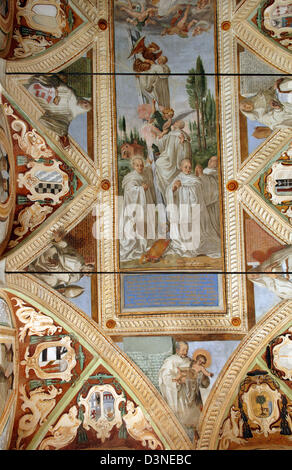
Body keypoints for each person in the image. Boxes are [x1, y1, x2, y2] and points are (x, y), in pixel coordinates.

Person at [165, 157, 221, 259]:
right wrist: (173, 189)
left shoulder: (195, 179)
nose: (188, 169)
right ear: (181, 167)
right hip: (181, 210)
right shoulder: (177, 178)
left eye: (189, 167)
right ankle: (184, 244)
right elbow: (169, 191)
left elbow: (196, 190)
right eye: (185, 167)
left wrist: (182, 187)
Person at [158, 342, 211, 439]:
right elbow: (165, 378)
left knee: (196, 425)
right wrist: (178, 381)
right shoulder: (170, 361)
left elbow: (204, 384)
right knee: (182, 426)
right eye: (183, 350)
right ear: (177, 350)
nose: (185, 352)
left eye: (186, 350)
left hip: (193, 397)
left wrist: (202, 376)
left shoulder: (191, 362)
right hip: (180, 397)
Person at [27, 74, 92, 148]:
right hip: (49, 90)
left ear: (83, 110)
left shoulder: (71, 114)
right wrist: (56, 92)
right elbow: (62, 87)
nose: (85, 103)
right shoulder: (72, 94)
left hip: (48, 103)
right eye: (86, 102)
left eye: (86, 106)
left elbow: (63, 123)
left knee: (60, 125)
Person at [27, 230, 95, 298]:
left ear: (86, 275)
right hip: (56, 254)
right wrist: (59, 241)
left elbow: (62, 275)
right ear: (88, 265)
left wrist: (56, 266)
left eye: (88, 272)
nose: (87, 270)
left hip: (54, 270)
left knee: (51, 280)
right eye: (89, 267)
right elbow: (67, 249)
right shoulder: (80, 259)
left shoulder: (76, 277)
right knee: (50, 250)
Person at [119, 155, 156, 262]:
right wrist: (140, 189)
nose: (140, 167)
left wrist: (148, 164)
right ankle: (138, 245)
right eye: (137, 165)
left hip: (143, 204)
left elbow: (148, 172)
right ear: (133, 166)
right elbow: (130, 191)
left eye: (141, 165)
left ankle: (144, 242)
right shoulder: (131, 177)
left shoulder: (143, 174)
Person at [154, 120, 192, 202]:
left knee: (159, 164)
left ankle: (170, 193)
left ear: (179, 125)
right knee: (159, 163)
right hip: (168, 157)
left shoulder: (181, 135)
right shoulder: (172, 133)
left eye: (176, 123)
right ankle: (166, 193)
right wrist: (163, 134)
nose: (174, 123)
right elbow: (162, 142)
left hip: (174, 161)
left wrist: (182, 143)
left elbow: (185, 152)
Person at [195, 156, 220, 237]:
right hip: (204, 202)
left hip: (213, 205)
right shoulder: (206, 170)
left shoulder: (217, 173)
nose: (210, 161)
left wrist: (202, 175)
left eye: (213, 160)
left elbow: (214, 186)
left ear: (217, 164)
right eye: (210, 159)